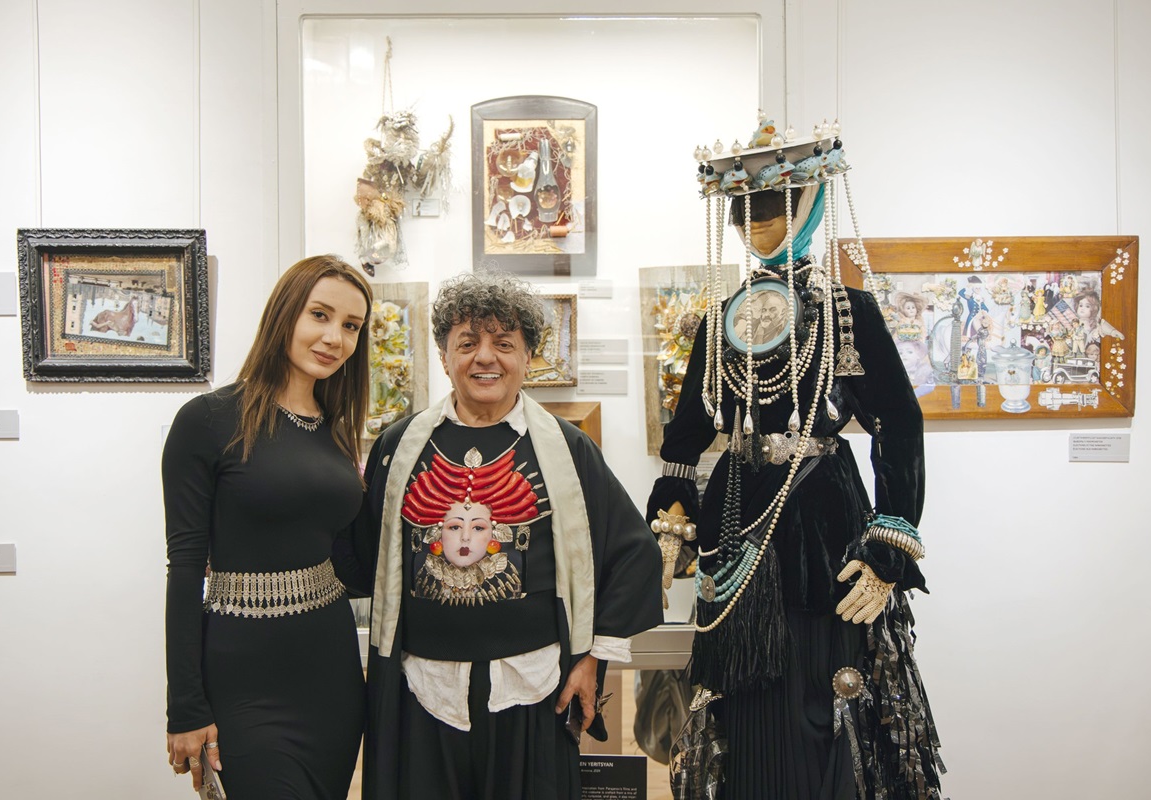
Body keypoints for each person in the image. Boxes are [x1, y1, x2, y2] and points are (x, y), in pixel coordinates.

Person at [650, 171, 943, 799]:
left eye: (773, 203)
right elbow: (688, 432)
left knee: (828, 688)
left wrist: (891, 538)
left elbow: (897, 421)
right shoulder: (721, 319)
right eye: (743, 207)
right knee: (739, 702)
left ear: (809, 206)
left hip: (823, 520)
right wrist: (672, 506)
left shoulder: (846, 313)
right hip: (737, 518)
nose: (755, 219)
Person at [358, 271, 663, 799]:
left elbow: (634, 553)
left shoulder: (568, 448)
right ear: (444, 355)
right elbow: (363, 554)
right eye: (467, 343)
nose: (486, 358)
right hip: (421, 691)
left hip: (533, 691)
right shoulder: (397, 447)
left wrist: (592, 658)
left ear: (528, 357)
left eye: (504, 343)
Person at [162, 255, 373, 798]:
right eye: (320, 315)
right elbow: (184, 568)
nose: (335, 338)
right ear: (284, 313)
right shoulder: (207, 421)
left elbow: (348, 557)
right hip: (244, 678)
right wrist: (184, 706)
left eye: (351, 326)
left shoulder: (336, 431)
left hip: (331, 672)